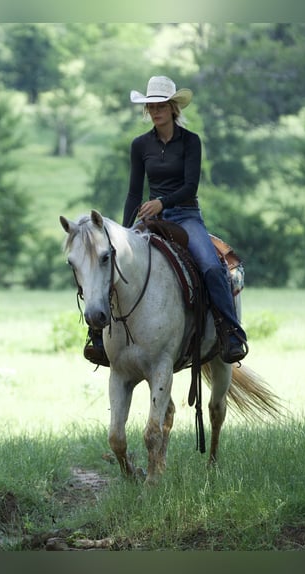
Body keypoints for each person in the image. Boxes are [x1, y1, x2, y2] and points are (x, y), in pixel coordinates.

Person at [84, 75, 248, 366]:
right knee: (112, 262)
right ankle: (99, 336)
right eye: (151, 106)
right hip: (150, 218)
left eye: (161, 105)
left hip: (185, 215)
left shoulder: (191, 142)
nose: (156, 111)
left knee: (211, 266)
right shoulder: (140, 145)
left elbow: (190, 187)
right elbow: (134, 192)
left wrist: (162, 201)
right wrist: (121, 232)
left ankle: (230, 333)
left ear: (173, 108)